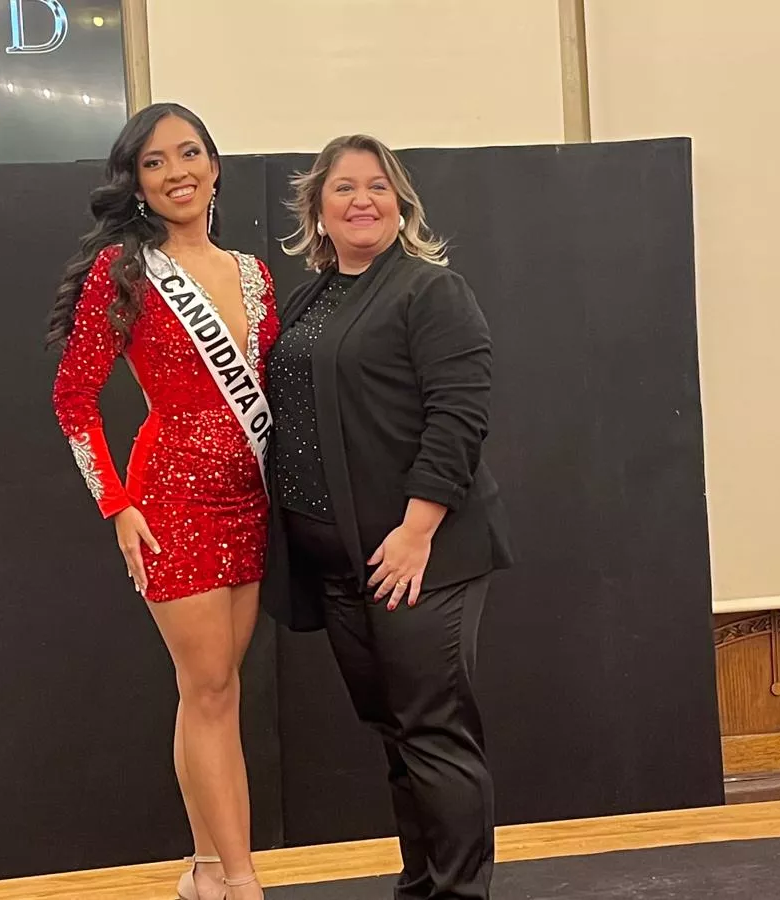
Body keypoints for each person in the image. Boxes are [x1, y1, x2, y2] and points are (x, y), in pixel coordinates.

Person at [263, 134, 513, 900]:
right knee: (397, 734)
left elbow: (460, 417)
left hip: (421, 556)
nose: (361, 199)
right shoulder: (307, 298)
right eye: (342, 188)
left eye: (377, 186)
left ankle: (460, 892)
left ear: (401, 204)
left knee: (432, 730)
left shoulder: (430, 292)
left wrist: (415, 532)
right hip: (339, 565)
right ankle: (422, 886)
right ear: (318, 212)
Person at [48, 102, 277, 900]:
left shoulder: (254, 272)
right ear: (136, 183)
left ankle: (208, 872)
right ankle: (245, 882)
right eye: (154, 161)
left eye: (189, 154)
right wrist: (118, 506)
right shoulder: (126, 272)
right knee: (210, 689)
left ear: (215, 167)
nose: (176, 171)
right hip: (170, 498)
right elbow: (74, 400)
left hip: (250, 497)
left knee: (214, 690)